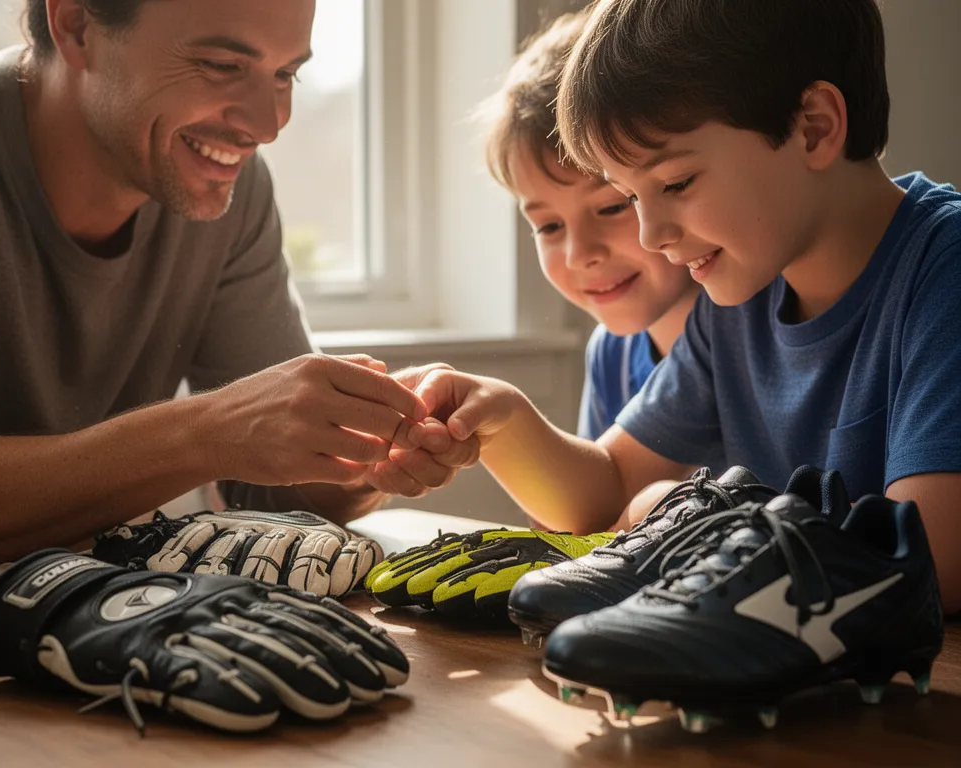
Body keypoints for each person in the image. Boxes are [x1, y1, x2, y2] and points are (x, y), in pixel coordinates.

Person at [405, 0, 961, 614]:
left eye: (673, 184)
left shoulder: (943, 270)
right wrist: (500, 423)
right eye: (630, 196)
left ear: (814, 128)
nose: (651, 235)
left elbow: (936, 556)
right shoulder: (738, 299)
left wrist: (684, 523)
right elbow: (610, 486)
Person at [0, 0, 477, 583]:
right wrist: (207, 433)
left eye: (285, 74)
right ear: (75, 24)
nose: (268, 125)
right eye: (222, 65)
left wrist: (366, 451)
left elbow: (269, 487)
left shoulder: (226, 189)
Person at [479, 9, 698, 446]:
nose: (580, 254)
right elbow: (598, 510)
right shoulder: (611, 354)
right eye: (549, 226)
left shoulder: (750, 328)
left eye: (614, 206)